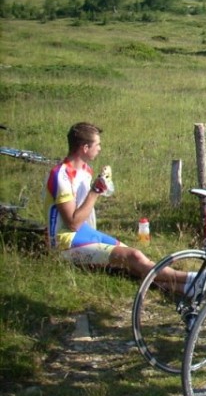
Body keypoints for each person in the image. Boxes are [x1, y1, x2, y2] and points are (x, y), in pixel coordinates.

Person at [44, 122, 190, 288]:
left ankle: (185, 289)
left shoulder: (86, 170)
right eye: (97, 144)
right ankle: (191, 278)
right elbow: (73, 223)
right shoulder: (61, 176)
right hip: (65, 243)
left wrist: (103, 186)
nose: (100, 148)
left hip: (88, 234)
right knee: (133, 257)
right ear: (85, 148)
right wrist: (95, 191)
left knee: (135, 262)